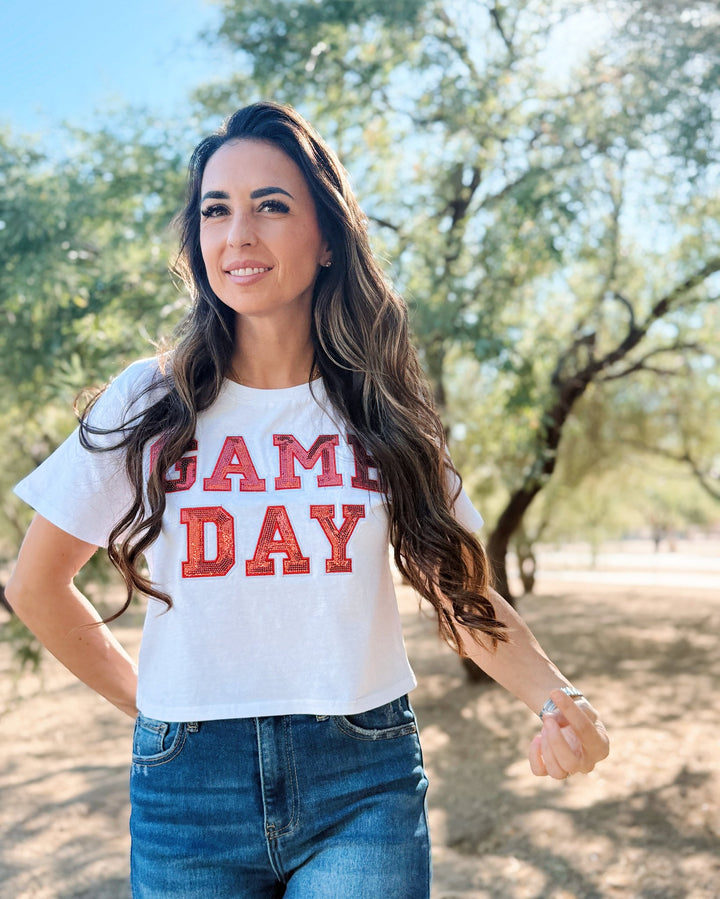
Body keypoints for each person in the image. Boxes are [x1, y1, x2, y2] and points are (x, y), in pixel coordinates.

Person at [7, 101, 608, 898]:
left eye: (272, 206)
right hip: (189, 792)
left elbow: (461, 592)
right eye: (216, 211)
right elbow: (35, 585)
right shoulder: (148, 400)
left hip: (362, 776)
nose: (238, 234)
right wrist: (147, 707)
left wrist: (558, 701)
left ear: (327, 239)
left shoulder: (382, 409)